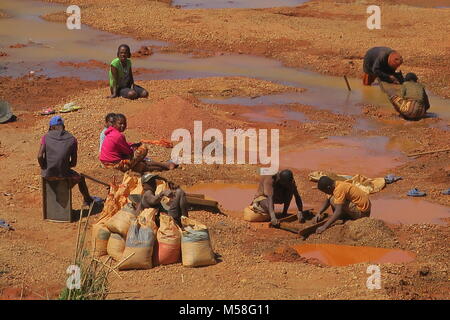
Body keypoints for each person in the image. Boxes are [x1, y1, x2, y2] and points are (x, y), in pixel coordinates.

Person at [38, 116, 98, 206]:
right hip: (64, 175)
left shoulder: (45, 137)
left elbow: (39, 156)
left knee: (53, 175)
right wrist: (64, 166)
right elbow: (74, 163)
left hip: (47, 174)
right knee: (80, 179)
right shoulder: (72, 139)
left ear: (50, 127)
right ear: (64, 127)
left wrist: (44, 166)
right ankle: (88, 200)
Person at [99, 114, 177, 173]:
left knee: (140, 166)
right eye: (120, 124)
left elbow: (122, 145)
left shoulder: (110, 132)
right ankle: (166, 165)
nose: (123, 126)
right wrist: (134, 148)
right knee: (143, 149)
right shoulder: (118, 135)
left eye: (124, 123)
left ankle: (166, 165)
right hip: (114, 165)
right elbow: (128, 152)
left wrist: (131, 146)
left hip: (107, 164)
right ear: (114, 124)